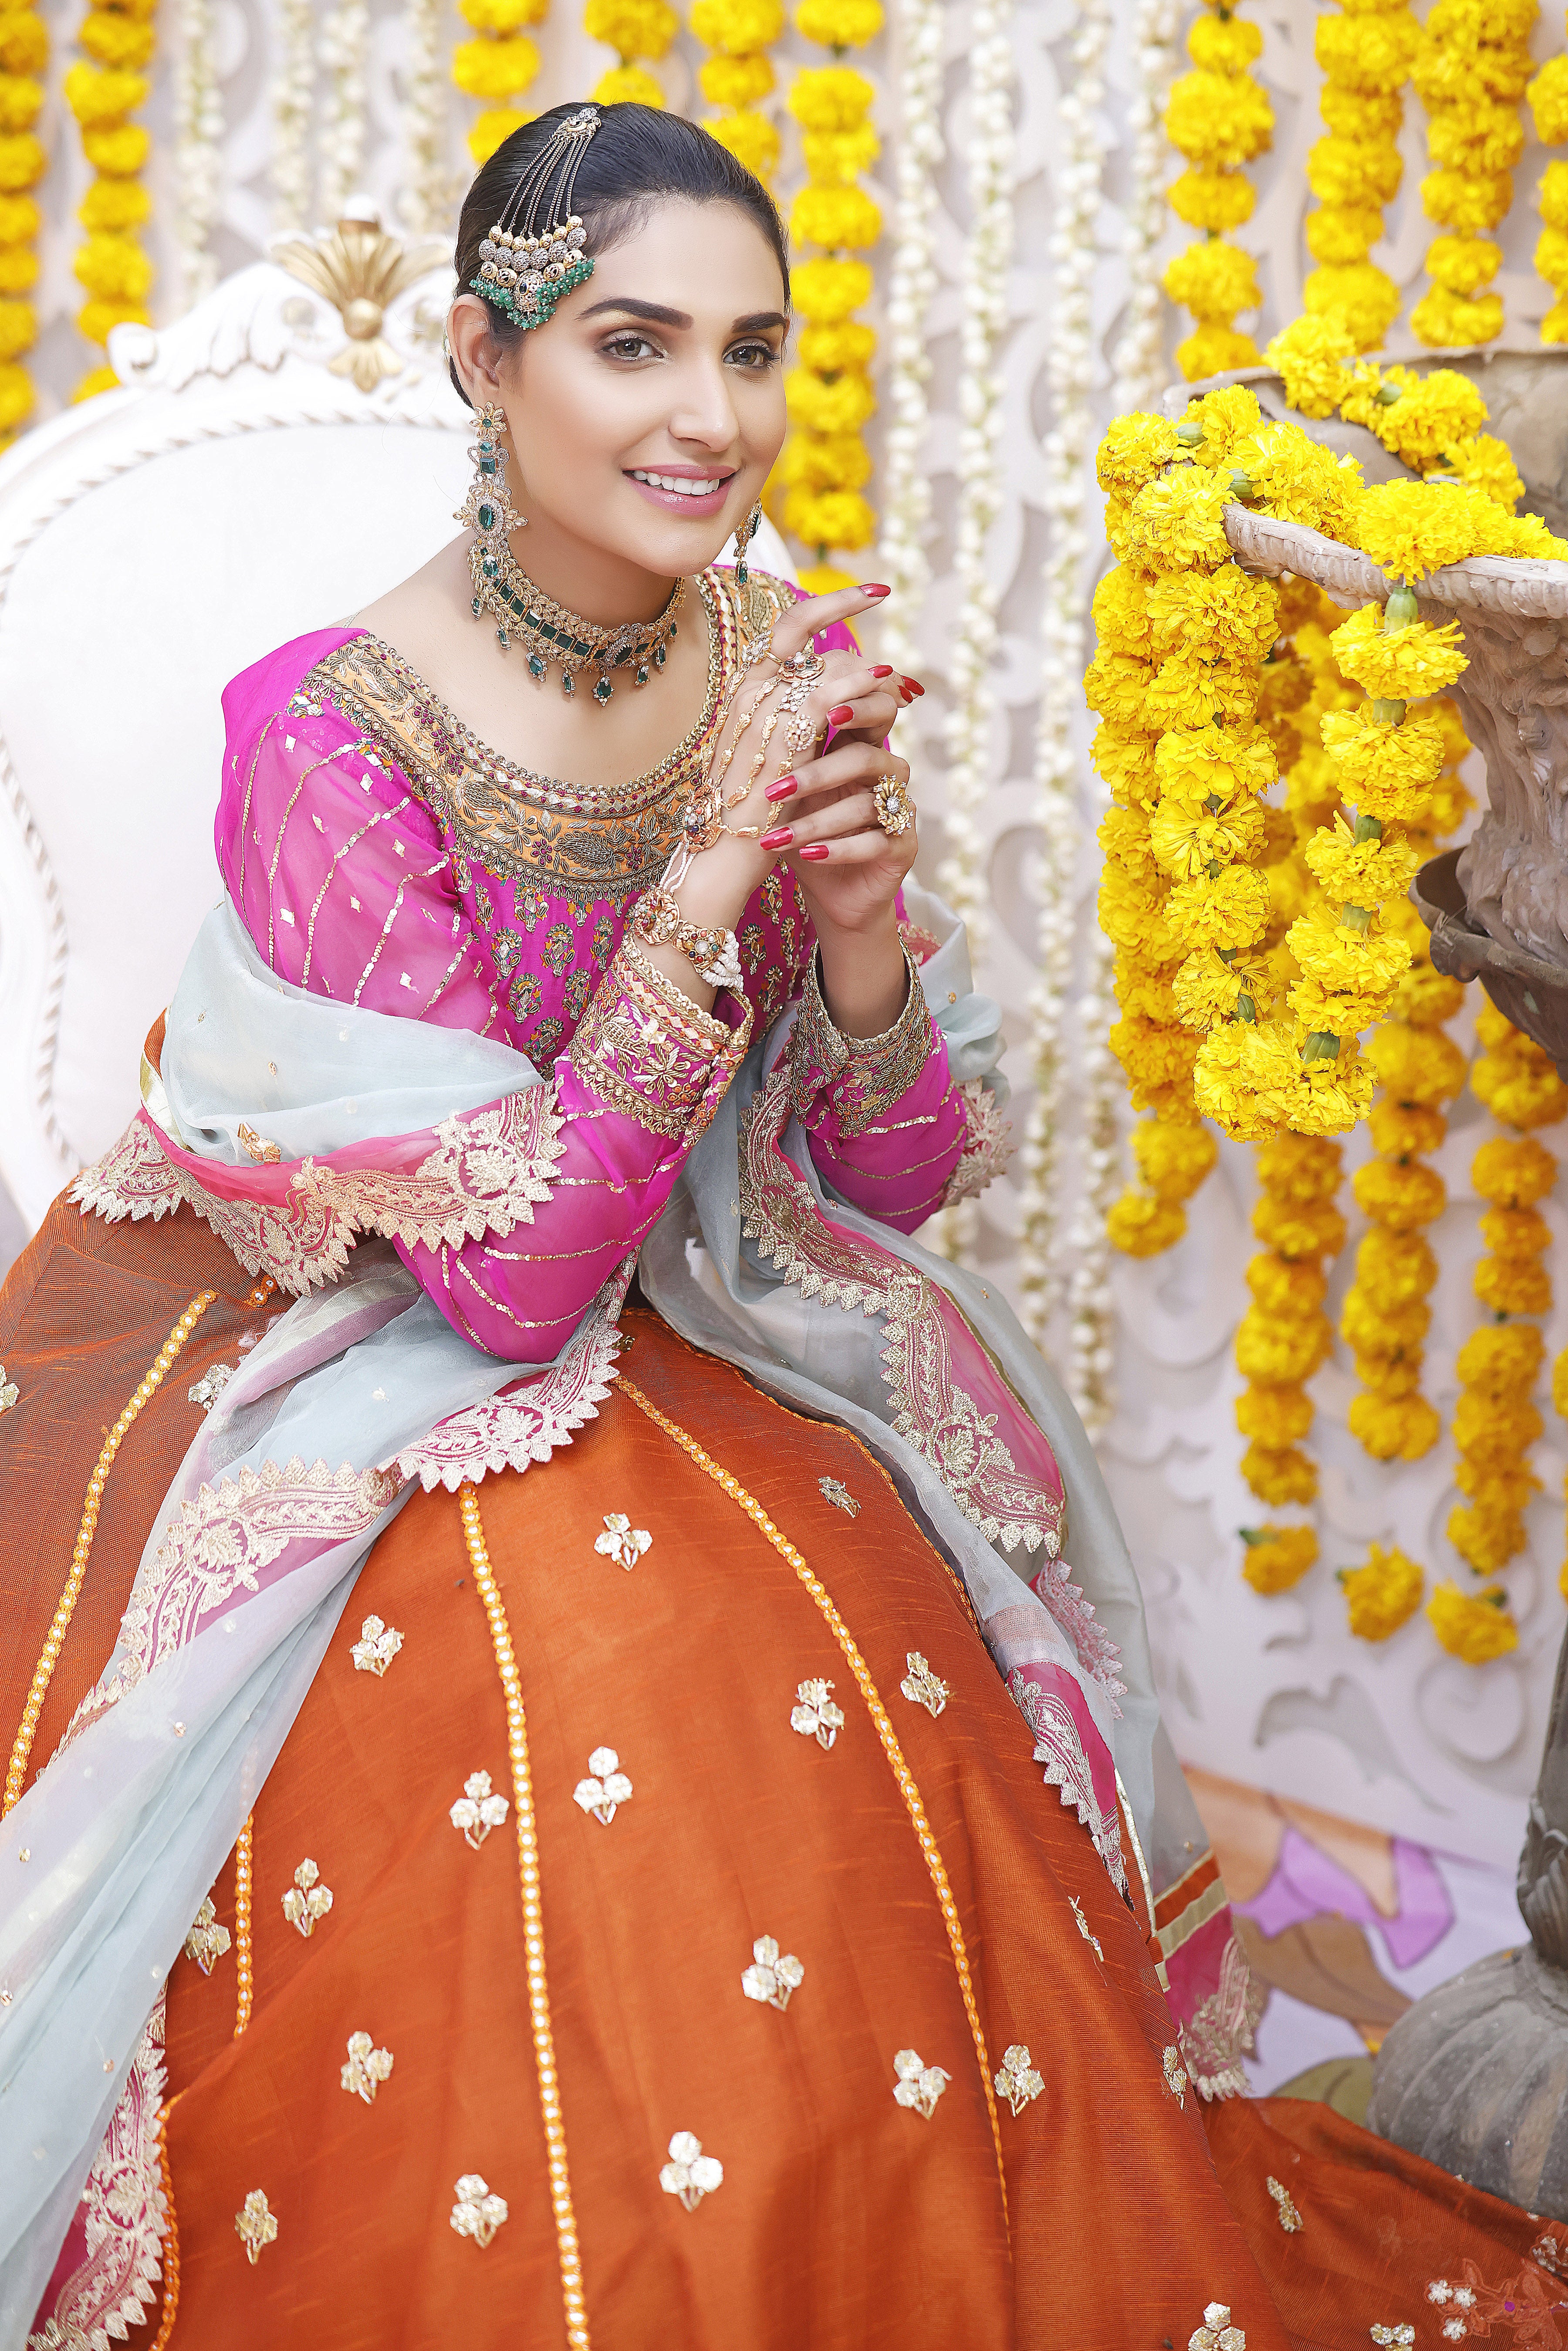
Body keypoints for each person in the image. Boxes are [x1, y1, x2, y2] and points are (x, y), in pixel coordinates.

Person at [0, 99, 1560, 2351]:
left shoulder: (758, 653)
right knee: (616, 1674)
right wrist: (711, 883)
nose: (710, 418)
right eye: (635, 346)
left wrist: (848, 939)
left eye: (751, 352)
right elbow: (504, 1283)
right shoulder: (331, 747)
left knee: (866, 1608)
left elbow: (885, 1178)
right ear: (479, 356)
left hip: (690, 1310)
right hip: (365, 1345)